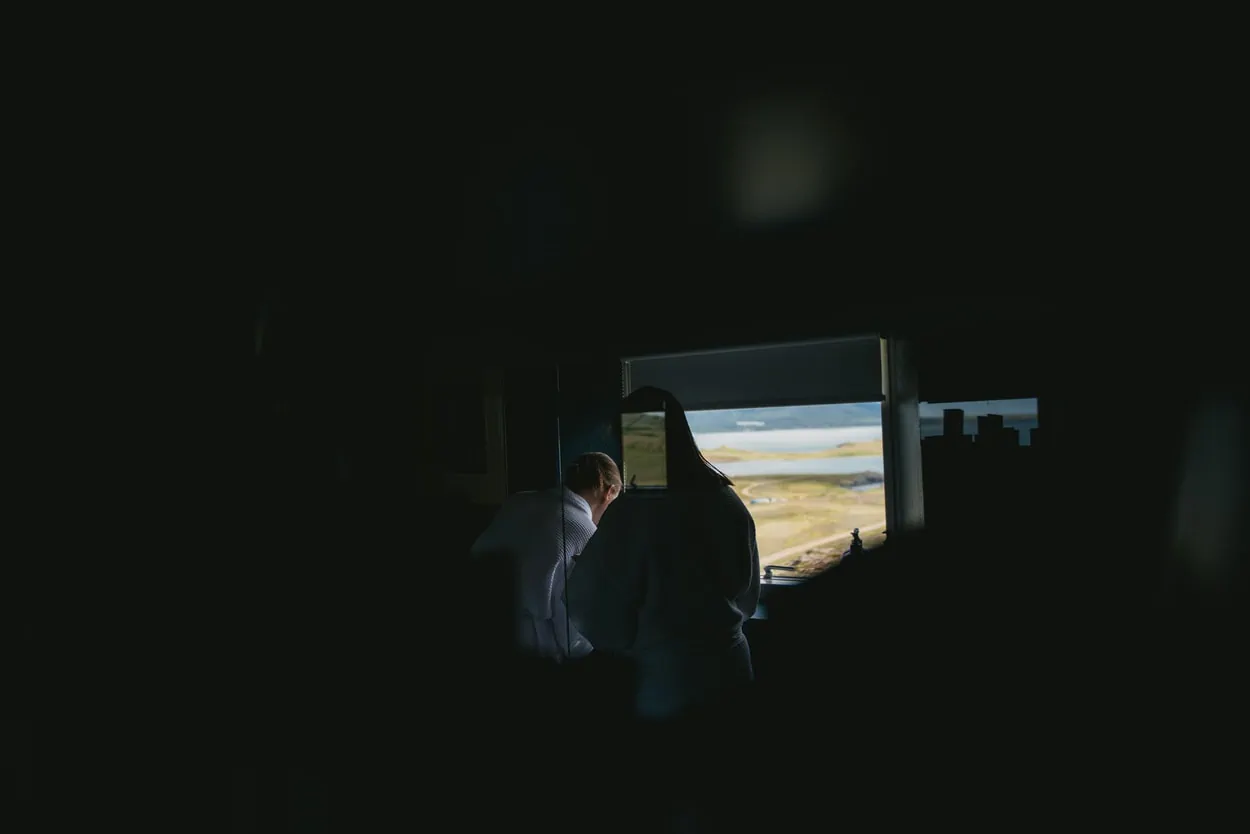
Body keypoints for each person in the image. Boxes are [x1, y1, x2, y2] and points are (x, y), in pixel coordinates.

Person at [565, 386, 761, 722]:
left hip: (666, 683)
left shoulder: (636, 512)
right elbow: (746, 596)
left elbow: (597, 608)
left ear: (639, 440)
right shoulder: (726, 501)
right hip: (731, 669)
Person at [470, 451, 622, 661]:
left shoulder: (518, 501)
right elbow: (571, 625)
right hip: (533, 652)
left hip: (476, 626)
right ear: (609, 492)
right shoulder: (584, 532)